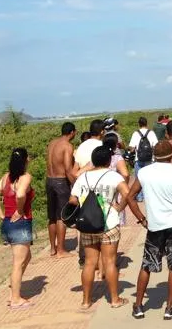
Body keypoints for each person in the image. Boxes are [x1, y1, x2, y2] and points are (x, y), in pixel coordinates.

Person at [126, 140, 172, 320]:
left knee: (146, 265)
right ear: (171, 155)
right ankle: (170, 308)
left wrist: (141, 218)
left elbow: (130, 197)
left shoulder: (145, 173)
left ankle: (138, 306)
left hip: (154, 226)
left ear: (154, 156)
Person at [69, 145, 131, 311]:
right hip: (108, 223)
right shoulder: (113, 176)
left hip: (88, 225)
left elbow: (73, 200)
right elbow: (127, 194)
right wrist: (119, 207)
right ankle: (115, 299)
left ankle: (86, 301)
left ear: (93, 161)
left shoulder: (83, 178)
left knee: (89, 263)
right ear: (109, 160)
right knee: (109, 262)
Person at [0, 148, 36, 309]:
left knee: (26, 257)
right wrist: (20, 210)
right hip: (20, 223)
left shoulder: (5, 177)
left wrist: (2, 215)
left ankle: (13, 292)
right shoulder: (25, 177)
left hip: (8, 223)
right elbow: (21, 194)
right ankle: (15, 298)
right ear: (25, 160)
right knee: (18, 262)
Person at [45, 121, 76, 258]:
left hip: (49, 180)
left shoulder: (52, 143)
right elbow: (68, 169)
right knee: (61, 216)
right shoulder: (67, 146)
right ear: (72, 132)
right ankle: (61, 250)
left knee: (52, 216)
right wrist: (75, 184)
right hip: (61, 181)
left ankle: (53, 248)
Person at [129, 115, 159, 184]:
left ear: (139, 124)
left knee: (138, 182)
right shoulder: (151, 133)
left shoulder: (135, 133)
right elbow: (156, 146)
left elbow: (132, 149)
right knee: (149, 181)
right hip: (150, 160)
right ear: (146, 123)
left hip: (139, 159)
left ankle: (140, 194)